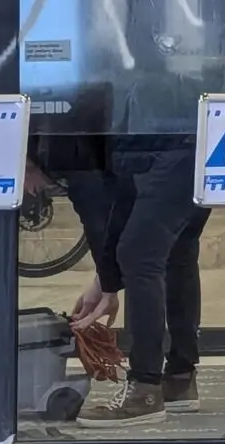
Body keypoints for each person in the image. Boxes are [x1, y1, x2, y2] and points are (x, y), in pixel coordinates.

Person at [66, 138, 208, 423]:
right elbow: (122, 205)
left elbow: (100, 215)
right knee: (177, 250)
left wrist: (108, 281)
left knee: (140, 254)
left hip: (171, 145)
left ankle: (145, 390)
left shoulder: (71, 155)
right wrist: (107, 281)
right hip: (169, 143)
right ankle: (179, 377)